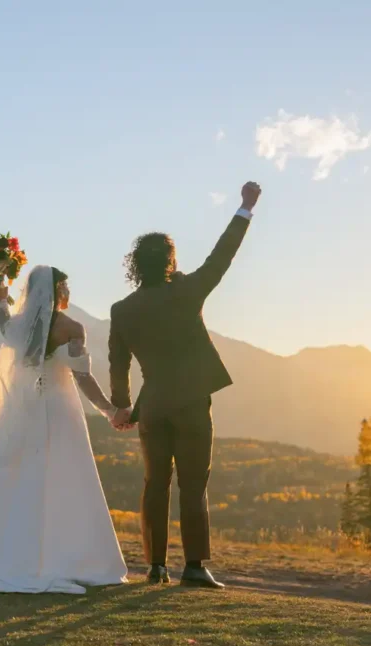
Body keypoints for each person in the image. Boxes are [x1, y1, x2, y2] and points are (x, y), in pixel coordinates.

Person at [0, 265, 128, 594]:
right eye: (66, 287)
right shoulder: (72, 327)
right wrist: (110, 410)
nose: (69, 294)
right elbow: (82, 376)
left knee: (22, 476)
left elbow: (5, 327)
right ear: (58, 290)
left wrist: (1, 301)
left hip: (30, 411)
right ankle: (67, 558)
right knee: (65, 477)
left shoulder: (19, 327)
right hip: (60, 412)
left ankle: (11, 554)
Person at [107, 181, 262, 588]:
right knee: (194, 484)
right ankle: (194, 567)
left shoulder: (123, 310)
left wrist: (121, 406)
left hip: (153, 405)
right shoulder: (188, 291)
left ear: (136, 266)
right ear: (170, 262)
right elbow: (221, 257)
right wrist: (244, 208)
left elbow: (118, 363)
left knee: (155, 483)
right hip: (192, 403)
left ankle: (155, 567)